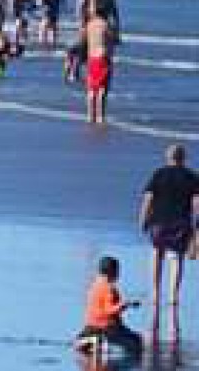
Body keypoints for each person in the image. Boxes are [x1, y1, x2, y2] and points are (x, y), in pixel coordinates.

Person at [138, 144, 198, 328]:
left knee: (157, 254)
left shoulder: (159, 174)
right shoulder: (191, 177)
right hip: (180, 222)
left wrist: (143, 218)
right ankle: (173, 295)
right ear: (183, 158)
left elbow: (148, 198)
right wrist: (196, 226)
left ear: (168, 157)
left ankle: (155, 293)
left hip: (159, 222)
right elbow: (197, 204)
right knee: (177, 258)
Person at [76, 255, 144, 357]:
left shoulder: (94, 286)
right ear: (113, 272)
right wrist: (125, 304)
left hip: (90, 326)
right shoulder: (109, 289)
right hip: (108, 327)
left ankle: (90, 341)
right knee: (137, 341)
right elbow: (109, 310)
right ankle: (100, 342)